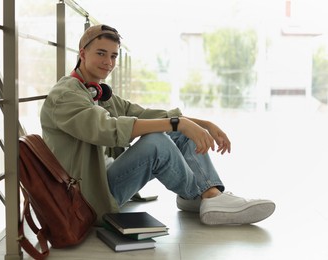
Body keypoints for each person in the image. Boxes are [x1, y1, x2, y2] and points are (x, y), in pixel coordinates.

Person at [40, 24, 275, 225]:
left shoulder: (99, 93)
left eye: (113, 56)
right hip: (87, 197)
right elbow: (107, 130)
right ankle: (210, 197)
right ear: (82, 53)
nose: (108, 62)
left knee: (177, 132)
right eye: (101, 53)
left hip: (105, 178)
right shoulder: (66, 95)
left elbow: (145, 115)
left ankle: (200, 197)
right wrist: (176, 123)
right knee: (157, 142)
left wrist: (203, 123)